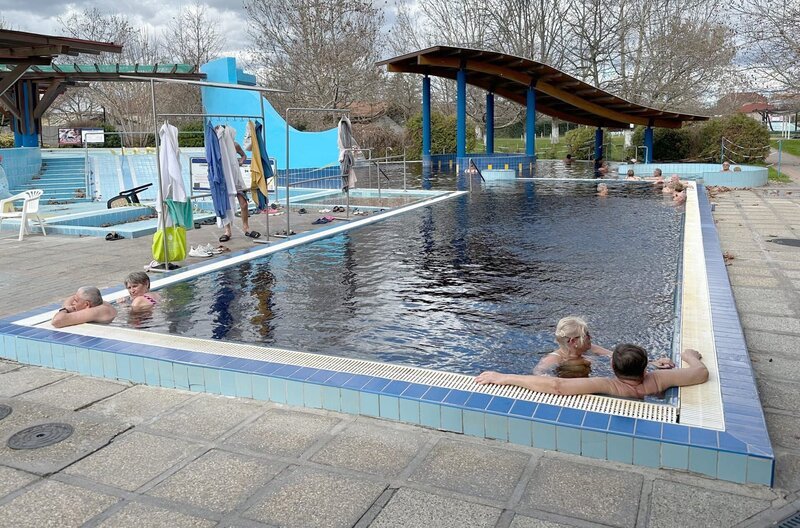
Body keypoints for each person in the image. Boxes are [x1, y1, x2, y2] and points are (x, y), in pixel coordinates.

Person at [475, 345, 707, 398]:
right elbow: (700, 373)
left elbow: (557, 386)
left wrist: (503, 377)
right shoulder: (658, 380)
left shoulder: (608, 384)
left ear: (613, 368)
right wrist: (689, 355)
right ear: (646, 367)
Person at [532, 316, 613, 376]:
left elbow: (613, 355)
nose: (591, 337)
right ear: (573, 341)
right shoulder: (555, 359)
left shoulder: (589, 348)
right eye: (587, 335)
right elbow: (538, 373)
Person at [51, 287, 117, 328]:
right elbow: (71, 299)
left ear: (87, 304)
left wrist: (65, 310)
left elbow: (57, 321)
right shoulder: (99, 303)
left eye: (76, 301)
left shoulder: (96, 311)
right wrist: (70, 307)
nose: (73, 303)